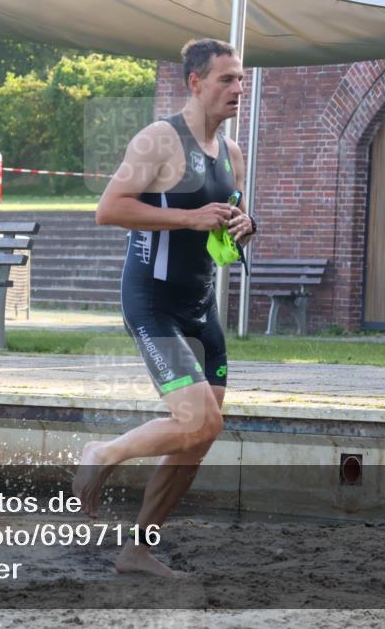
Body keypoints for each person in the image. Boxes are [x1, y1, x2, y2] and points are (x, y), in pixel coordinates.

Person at [73, 38, 256, 577]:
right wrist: (189, 218)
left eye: (241, 79)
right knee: (198, 420)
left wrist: (245, 225)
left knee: (201, 434)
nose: (239, 89)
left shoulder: (233, 152)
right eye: (227, 80)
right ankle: (102, 454)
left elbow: (230, 218)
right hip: (153, 304)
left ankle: (138, 550)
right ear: (195, 83)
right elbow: (109, 210)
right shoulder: (159, 140)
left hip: (201, 307)